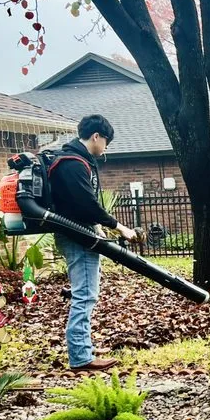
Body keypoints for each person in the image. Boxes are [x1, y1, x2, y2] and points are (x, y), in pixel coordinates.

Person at [49, 114, 137, 372]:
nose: (106, 148)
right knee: (85, 295)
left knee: (84, 293)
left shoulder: (74, 160)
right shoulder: (73, 163)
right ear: (96, 136)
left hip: (78, 232)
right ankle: (81, 358)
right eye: (106, 141)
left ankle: (82, 349)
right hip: (77, 236)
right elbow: (87, 205)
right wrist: (118, 226)